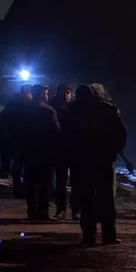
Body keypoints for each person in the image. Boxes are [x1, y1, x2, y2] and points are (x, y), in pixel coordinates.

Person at [69, 84, 127, 246]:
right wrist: (114, 151)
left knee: (86, 199)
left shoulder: (73, 111)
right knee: (106, 199)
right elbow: (120, 133)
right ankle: (109, 235)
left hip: (82, 161)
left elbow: (67, 135)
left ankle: (89, 236)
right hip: (104, 160)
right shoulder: (109, 109)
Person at [22, 84, 60, 221]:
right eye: (46, 93)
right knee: (45, 183)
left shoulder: (24, 110)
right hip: (45, 152)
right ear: (42, 94)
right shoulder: (48, 111)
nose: (47, 95)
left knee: (30, 184)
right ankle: (43, 213)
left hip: (29, 151)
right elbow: (56, 133)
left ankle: (31, 212)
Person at [0, 84, 32, 198]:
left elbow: (2, 121)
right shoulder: (27, 106)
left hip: (14, 139)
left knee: (17, 165)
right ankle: (24, 189)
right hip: (24, 139)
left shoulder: (10, 107)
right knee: (25, 166)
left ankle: (18, 190)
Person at [50, 83, 77, 220]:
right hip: (59, 147)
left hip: (74, 148)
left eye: (68, 92)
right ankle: (61, 207)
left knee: (76, 180)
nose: (66, 94)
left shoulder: (76, 107)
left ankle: (75, 209)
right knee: (61, 180)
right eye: (64, 92)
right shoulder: (53, 106)